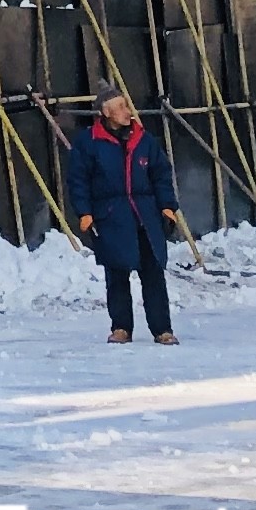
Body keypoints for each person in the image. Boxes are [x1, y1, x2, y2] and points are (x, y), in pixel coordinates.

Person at [65, 91, 180, 345]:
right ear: (106, 113)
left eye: (127, 105)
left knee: (153, 274)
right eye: (120, 107)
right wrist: (84, 212)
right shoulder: (88, 143)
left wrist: (167, 207)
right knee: (116, 275)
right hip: (110, 217)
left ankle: (162, 329)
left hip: (145, 216)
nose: (128, 110)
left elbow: (161, 174)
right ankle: (121, 328)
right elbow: (78, 181)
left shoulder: (144, 140)